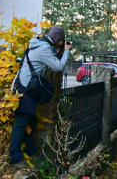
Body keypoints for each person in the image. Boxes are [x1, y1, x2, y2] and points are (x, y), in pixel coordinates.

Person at [9, 26, 71, 166]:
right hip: (25, 90)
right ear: (59, 41)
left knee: (31, 121)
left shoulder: (40, 44)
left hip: (23, 87)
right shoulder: (44, 48)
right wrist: (66, 52)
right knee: (21, 122)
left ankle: (31, 152)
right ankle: (15, 158)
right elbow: (58, 66)